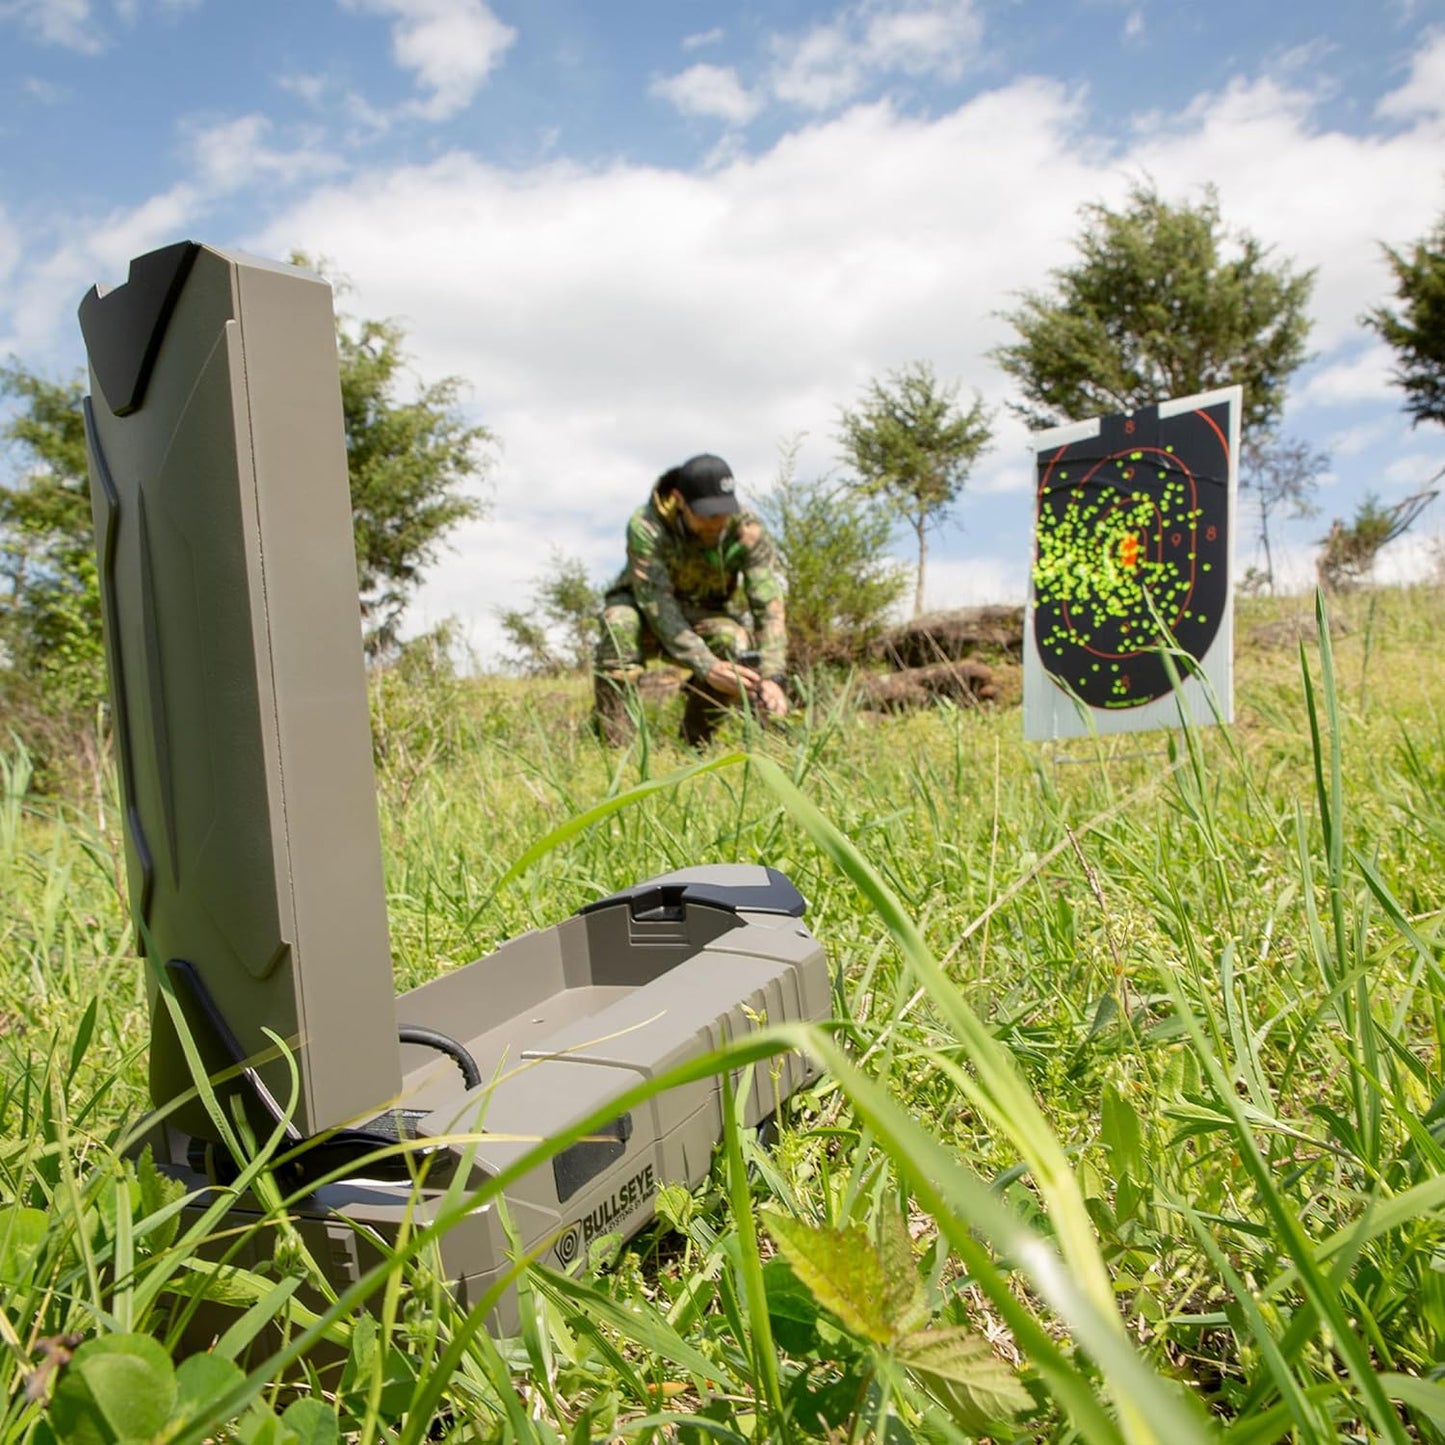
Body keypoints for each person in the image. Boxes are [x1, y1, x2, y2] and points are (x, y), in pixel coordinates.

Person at [593, 453, 789, 745]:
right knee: (619, 623)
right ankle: (614, 745)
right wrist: (706, 665)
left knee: (732, 639)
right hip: (646, 609)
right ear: (679, 500)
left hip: (703, 612)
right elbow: (658, 606)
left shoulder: (747, 531)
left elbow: (769, 606)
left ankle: (694, 744)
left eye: (723, 512)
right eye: (706, 514)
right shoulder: (647, 526)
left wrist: (773, 676)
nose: (716, 523)